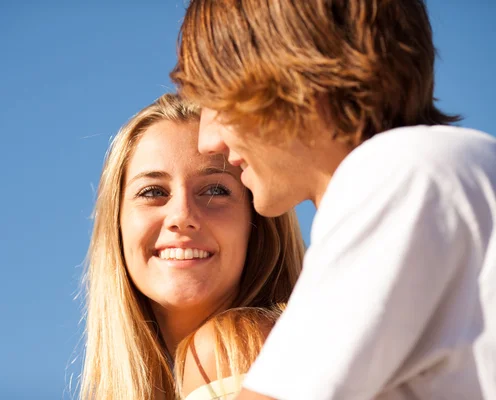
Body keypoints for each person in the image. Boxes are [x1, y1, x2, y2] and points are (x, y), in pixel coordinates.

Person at [170, 1, 496, 399]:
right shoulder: (448, 167)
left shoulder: (402, 170)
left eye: (218, 99)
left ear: (290, 74)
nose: (209, 140)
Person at [79, 93, 304, 400]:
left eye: (215, 190)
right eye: (152, 192)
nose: (182, 216)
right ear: (116, 223)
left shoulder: (235, 348)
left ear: (257, 224)